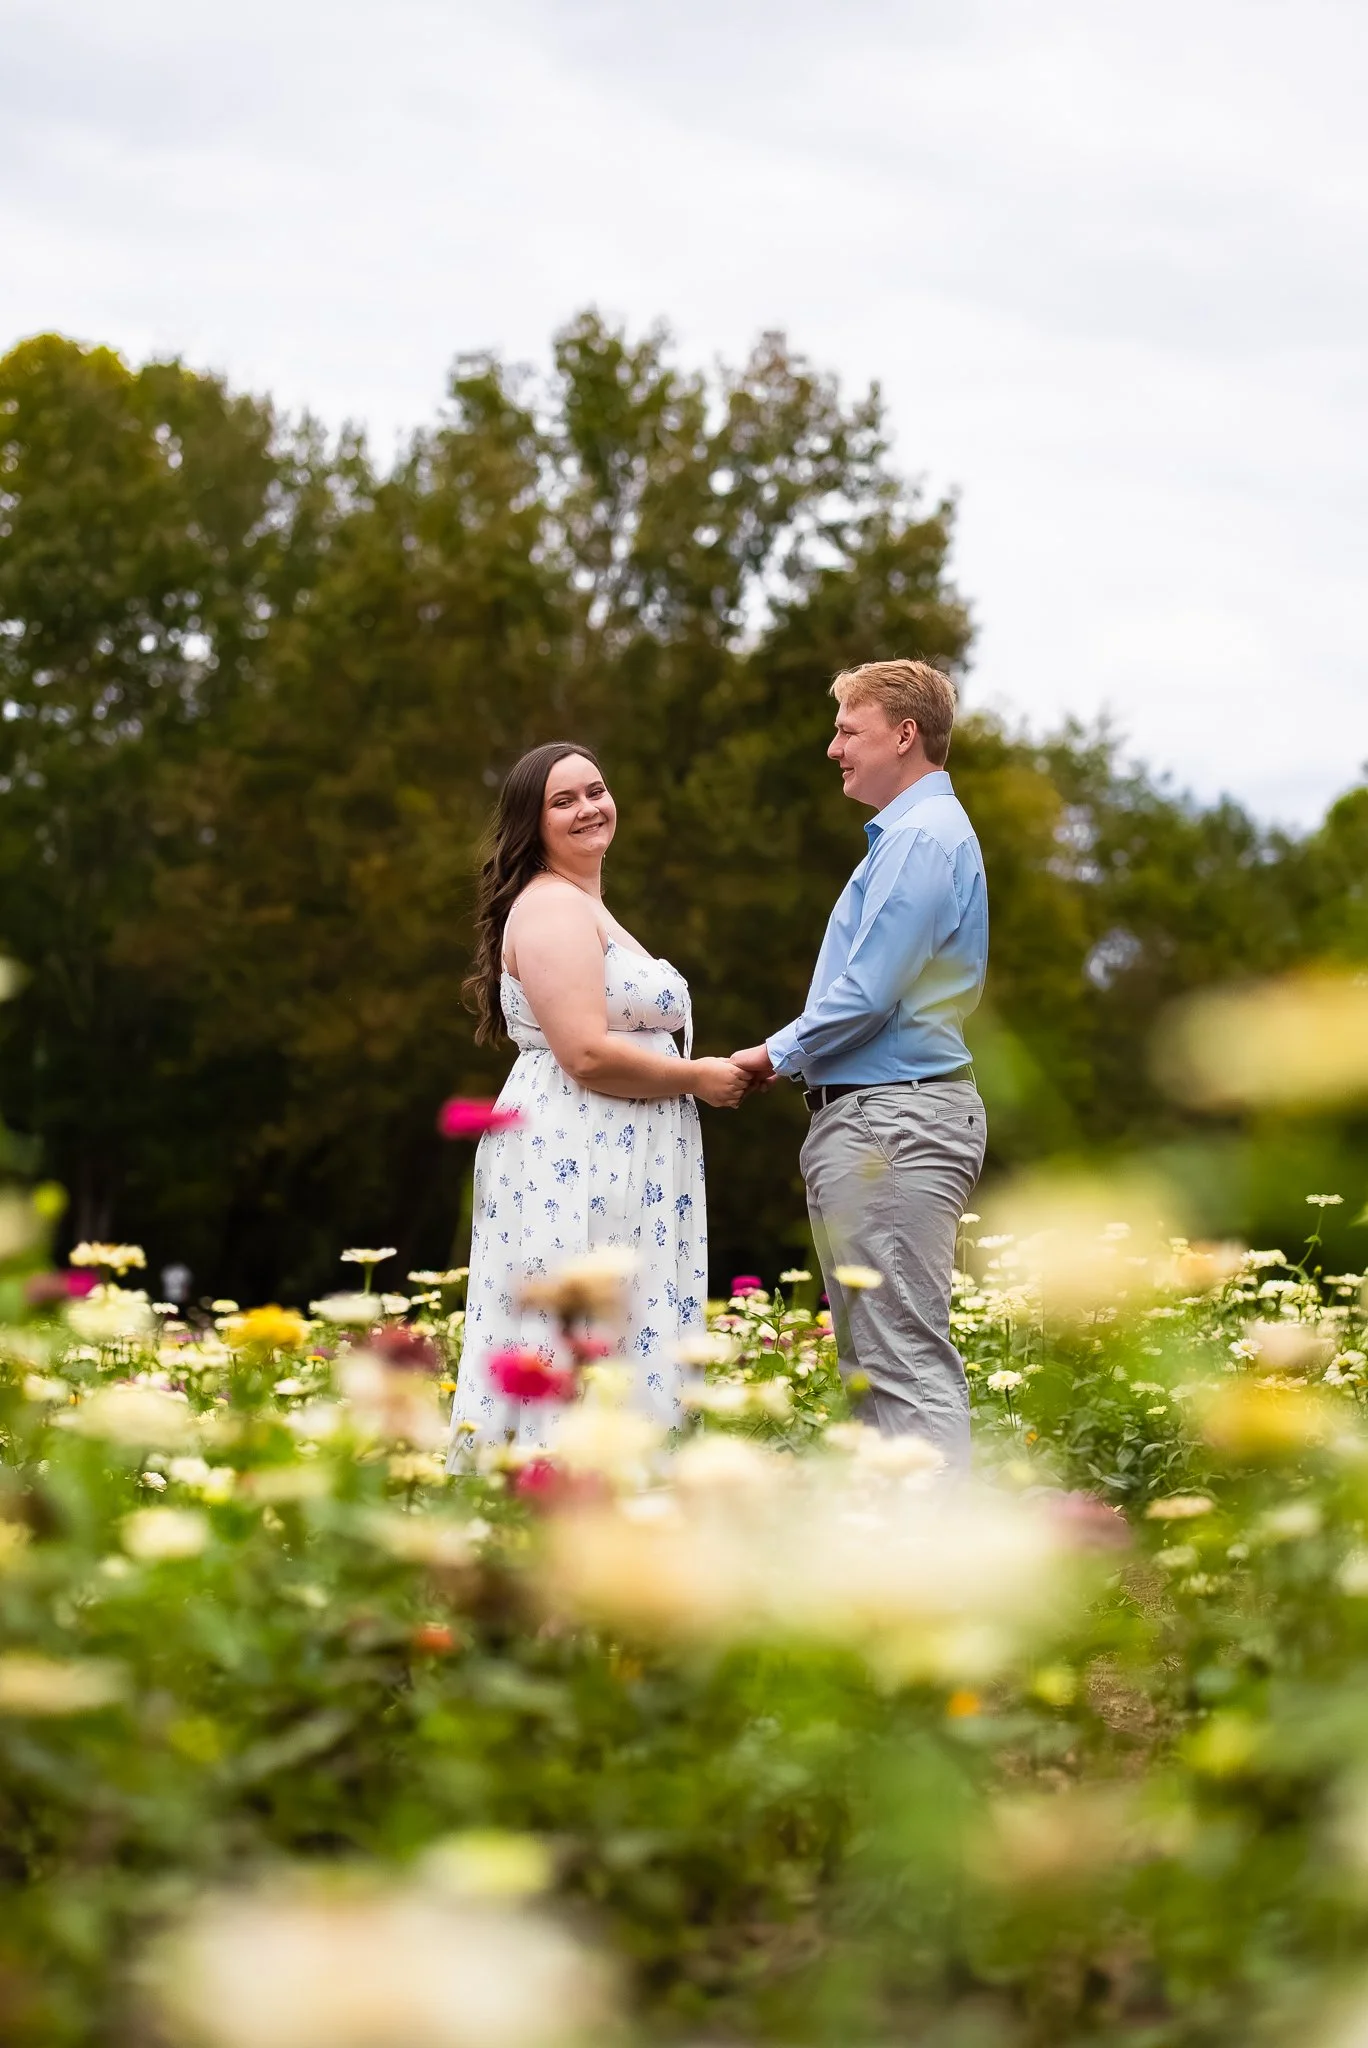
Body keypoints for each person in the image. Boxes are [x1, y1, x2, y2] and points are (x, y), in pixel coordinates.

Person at [449, 741, 749, 1455]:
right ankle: (556, 1495)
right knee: (582, 1330)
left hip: (623, 1148)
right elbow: (582, 1052)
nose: (588, 808)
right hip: (579, 1152)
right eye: (564, 800)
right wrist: (698, 1078)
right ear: (534, 822)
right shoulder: (551, 906)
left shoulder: (584, 905)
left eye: (596, 790)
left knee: (624, 1328)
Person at [731, 660, 988, 1475]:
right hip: (889, 1118)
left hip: (894, 1123)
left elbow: (868, 994)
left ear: (904, 735)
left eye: (849, 730)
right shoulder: (918, 837)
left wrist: (770, 1056)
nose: (834, 748)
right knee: (879, 1365)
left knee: (903, 1363)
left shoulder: (916, 841)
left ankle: (939, 1571)